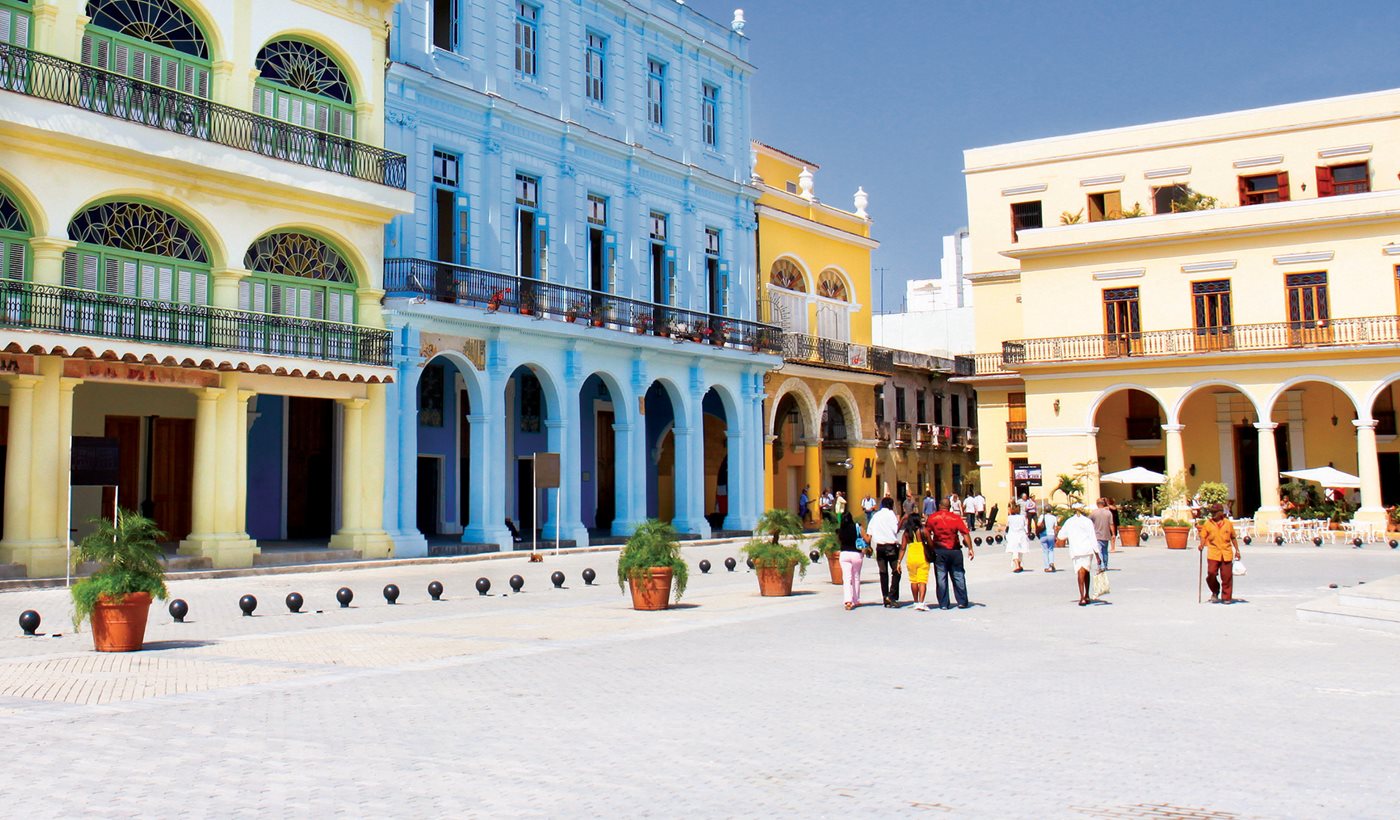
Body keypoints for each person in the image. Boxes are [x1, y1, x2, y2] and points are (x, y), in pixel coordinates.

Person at [925, 499, 974, 609]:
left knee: (941, 577)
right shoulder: (955, 518)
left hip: (939, 550)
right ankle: (962, 601)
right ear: (950, 506)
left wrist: (930, 545)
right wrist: (970, 549)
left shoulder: (933, 518)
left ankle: (944, 604)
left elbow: (926, 532)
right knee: (958, 576)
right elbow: (965, 533)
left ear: (939, 505)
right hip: (954, 550)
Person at [1057, 502, 1101, 606]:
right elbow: (1092, 537)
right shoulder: (1087, 521)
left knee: (1080, 571)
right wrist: (1097, 554)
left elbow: (1061, 536)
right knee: (1085, 570)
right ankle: (1085, 595)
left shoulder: (1069, 522)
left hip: (1076, 550)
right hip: (1087, 549)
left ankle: (1083, 596)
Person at [1199, 503, 1240, 604]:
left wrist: (1237, 550)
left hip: (1226, 553)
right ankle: (1215, 590)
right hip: (1213, 553)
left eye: (1215, 512)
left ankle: (1226, 597)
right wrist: (1202, 545)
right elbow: (1203, 535)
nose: (1212, 514)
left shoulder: (1228, 523)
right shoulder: (1208, 523)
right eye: (1211, 512)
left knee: (1227, 576)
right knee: (1211, 573)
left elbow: (1233, 537)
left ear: (1221, 513)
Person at [867, 497, 902, 607]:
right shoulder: (891, 515)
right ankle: (892, 595)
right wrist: (902, 521)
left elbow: (869, 532)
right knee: (896, 571)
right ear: (891, 505)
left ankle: (885, 596)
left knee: (883, 573)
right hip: (891, 547)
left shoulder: (876, 516)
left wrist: (868, 546)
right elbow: (896, 530)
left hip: (880, 547)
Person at [898, 512, 930, 611]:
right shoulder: (923, 530)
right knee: (922, 581)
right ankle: (921, 602)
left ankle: (915, 601)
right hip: (922, 557)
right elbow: (930, 543)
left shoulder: (906, 533)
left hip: (911, 558)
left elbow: (903, 548)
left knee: (913, 581)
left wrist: (899, 561)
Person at [836, 511, 864, 610]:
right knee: (856, 577)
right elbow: (865, 537)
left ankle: (848, 601)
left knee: (846, 578)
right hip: (856, 553)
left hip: (844, 554)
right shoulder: (857, 527)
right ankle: (856, 600)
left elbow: (839, 541)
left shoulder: (840, 530)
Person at [1089, 498, 1116, 571]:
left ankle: (1101, 566)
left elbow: (1088, 521)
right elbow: (1111, 524)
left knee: (1099, 551)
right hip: (1106, 535)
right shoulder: (1108, 513)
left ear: (1097, 504)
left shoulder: (1094, 513)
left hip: (1097, 535)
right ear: (1103, 504)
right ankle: (1105, 565)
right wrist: (1113, 534)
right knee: (1105, 551)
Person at [1004, 501, 1032, 573]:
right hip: (1021, 534)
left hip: (1013, 535)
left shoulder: (1010, 518)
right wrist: (1027, 532)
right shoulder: (1022, 517)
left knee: (1014, 551)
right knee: (1020, 551)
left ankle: (1017, 566)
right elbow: (1025, 525)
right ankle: (1019, 564)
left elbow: (1007, 526)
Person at [1036, 502, 1058, 572]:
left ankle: (1046, 566)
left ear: (1045, 510)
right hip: (1051, 535)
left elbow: (1038, 524)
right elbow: (1055, 527)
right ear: (1051, 510)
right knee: (1051, 550)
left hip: (1043, 535)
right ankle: (1051, 563)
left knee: (1045, 551)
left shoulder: (1042, 516)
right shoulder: (1054, 517)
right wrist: (1056, 536)